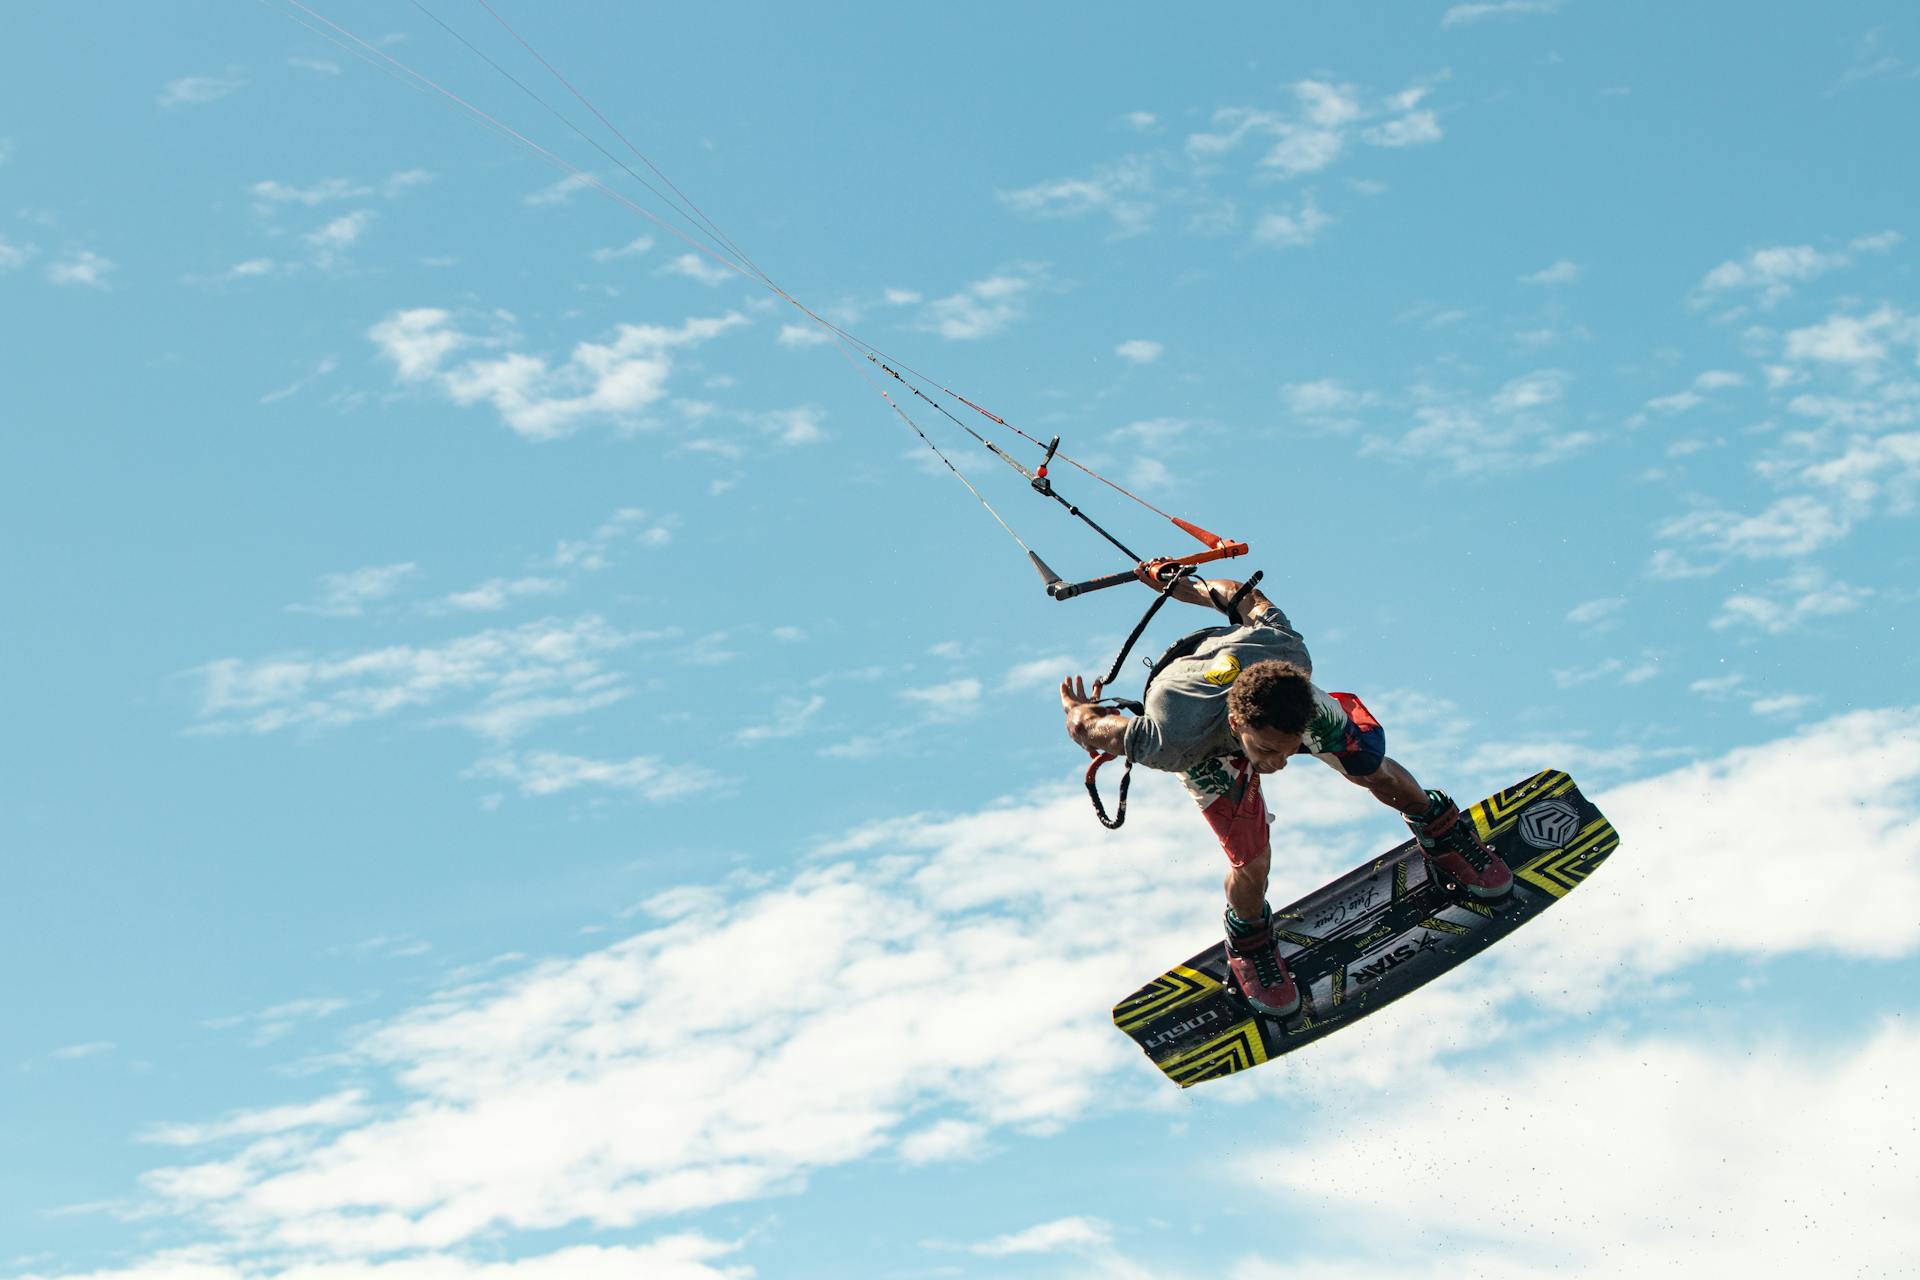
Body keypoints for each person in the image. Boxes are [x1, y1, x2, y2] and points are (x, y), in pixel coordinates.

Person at [1059, 565, 1511, 1017]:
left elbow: (1241, 597)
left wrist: (1181, 585)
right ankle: (1249, 941)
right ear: (1239, 725)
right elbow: (1086, 726)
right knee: (1251, 858)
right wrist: (1078, 711)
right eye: (1269, 752)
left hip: (1260, 673)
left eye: (1289, 750)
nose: (1278, 764)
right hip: (1203, 738)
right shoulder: (1170, 739)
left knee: (1372, 768)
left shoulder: (1286, 649)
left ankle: (1443, 833)